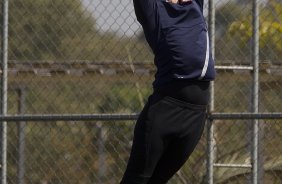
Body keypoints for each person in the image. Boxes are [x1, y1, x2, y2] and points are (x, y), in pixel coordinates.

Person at [120, 0, 216, 183]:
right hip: (165, 112)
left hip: (195, 116)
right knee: (137, 179)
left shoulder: (194, 6)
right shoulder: (155, 12)